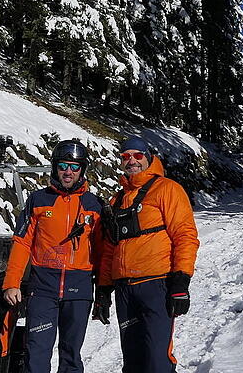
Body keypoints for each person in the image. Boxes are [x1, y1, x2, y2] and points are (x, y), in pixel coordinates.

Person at [92, 136, 199, 373]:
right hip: (124, 290)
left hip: (156, 286)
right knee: (133, 359)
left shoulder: (168, 189)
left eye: (137, 155)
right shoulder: (117, 200)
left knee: (157, 359)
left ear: (148, 158)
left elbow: (185, 236)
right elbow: (110, 247)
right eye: (125, 156)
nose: (132, 161)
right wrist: (102, 291)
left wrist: (181, 281)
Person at [2, 139, 105, 373]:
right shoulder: (38, 200)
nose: (68, 172)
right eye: (63, 166)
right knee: (37, 352)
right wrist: (11, 283)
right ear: (54, 167)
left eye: (74, 167)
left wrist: (102, 292)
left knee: (71, 354)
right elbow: (21, 243)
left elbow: (102, 252)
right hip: (43, 288)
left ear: (82, 170)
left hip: (79, 289)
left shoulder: (94, 205)